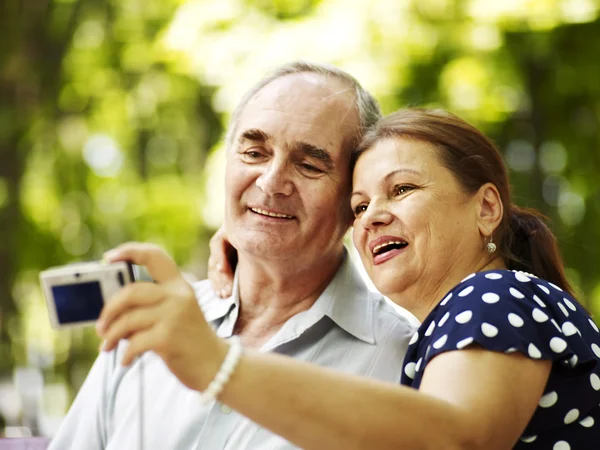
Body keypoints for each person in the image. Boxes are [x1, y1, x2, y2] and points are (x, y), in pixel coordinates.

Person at [48, 62, 416, 449]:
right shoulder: (145, 327)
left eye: (309, 165)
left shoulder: (402, 358)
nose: (271, 181)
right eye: (255, 152)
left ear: (354, 199)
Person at [191, 108, 600, 448]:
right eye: (359, 206)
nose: (372, 217)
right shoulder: (464, 317)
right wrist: (262, 243)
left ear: (487, 209)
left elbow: (456, 439)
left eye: (402, 188)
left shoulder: (493, 294)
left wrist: (220, 366)